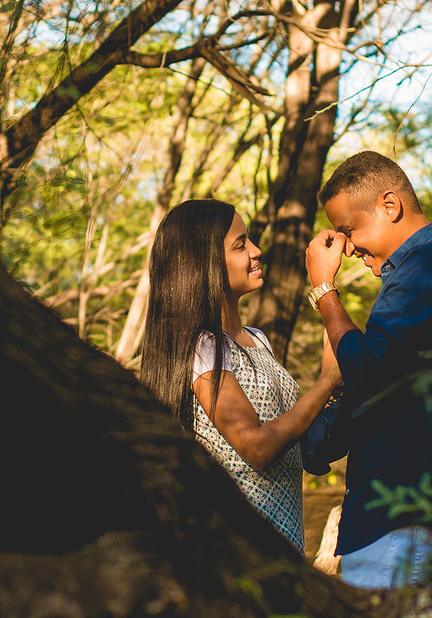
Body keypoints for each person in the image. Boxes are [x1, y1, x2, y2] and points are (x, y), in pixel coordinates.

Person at [304, 150, 432, 588]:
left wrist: (324, 289)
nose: (346, 246)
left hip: (398, 519)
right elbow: (379, 387)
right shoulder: (414, 273)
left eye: (349, 229)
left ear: (389, 205)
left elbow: (366, 373)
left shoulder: (426, 269)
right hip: (384, 519)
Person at [139, 198, 342, 551]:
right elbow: (257, 447)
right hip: (239, 550)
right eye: (240, 244)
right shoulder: (202, 348)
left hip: (285, 542)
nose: (256, 250)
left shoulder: (257, 340)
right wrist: (326, 381)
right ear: (205, 263)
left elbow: (289, 435)